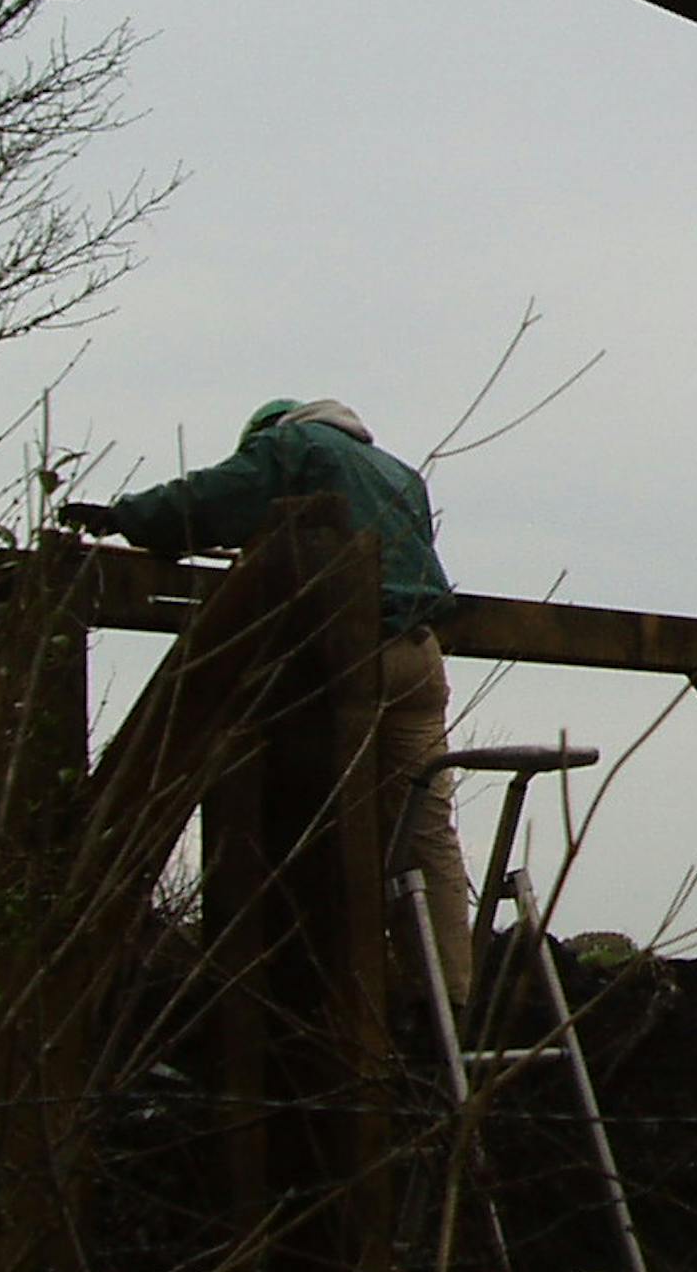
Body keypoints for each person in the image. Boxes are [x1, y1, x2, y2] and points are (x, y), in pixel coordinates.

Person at [60, 398, 473, 1008]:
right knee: (423, 830)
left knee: (324, 824)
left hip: (350, 652)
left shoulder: (295, 447)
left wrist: (129, 518)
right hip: (420, 657)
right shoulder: (398, 473)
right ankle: (449, 997)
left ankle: (329, 1005)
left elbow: (217, 498)